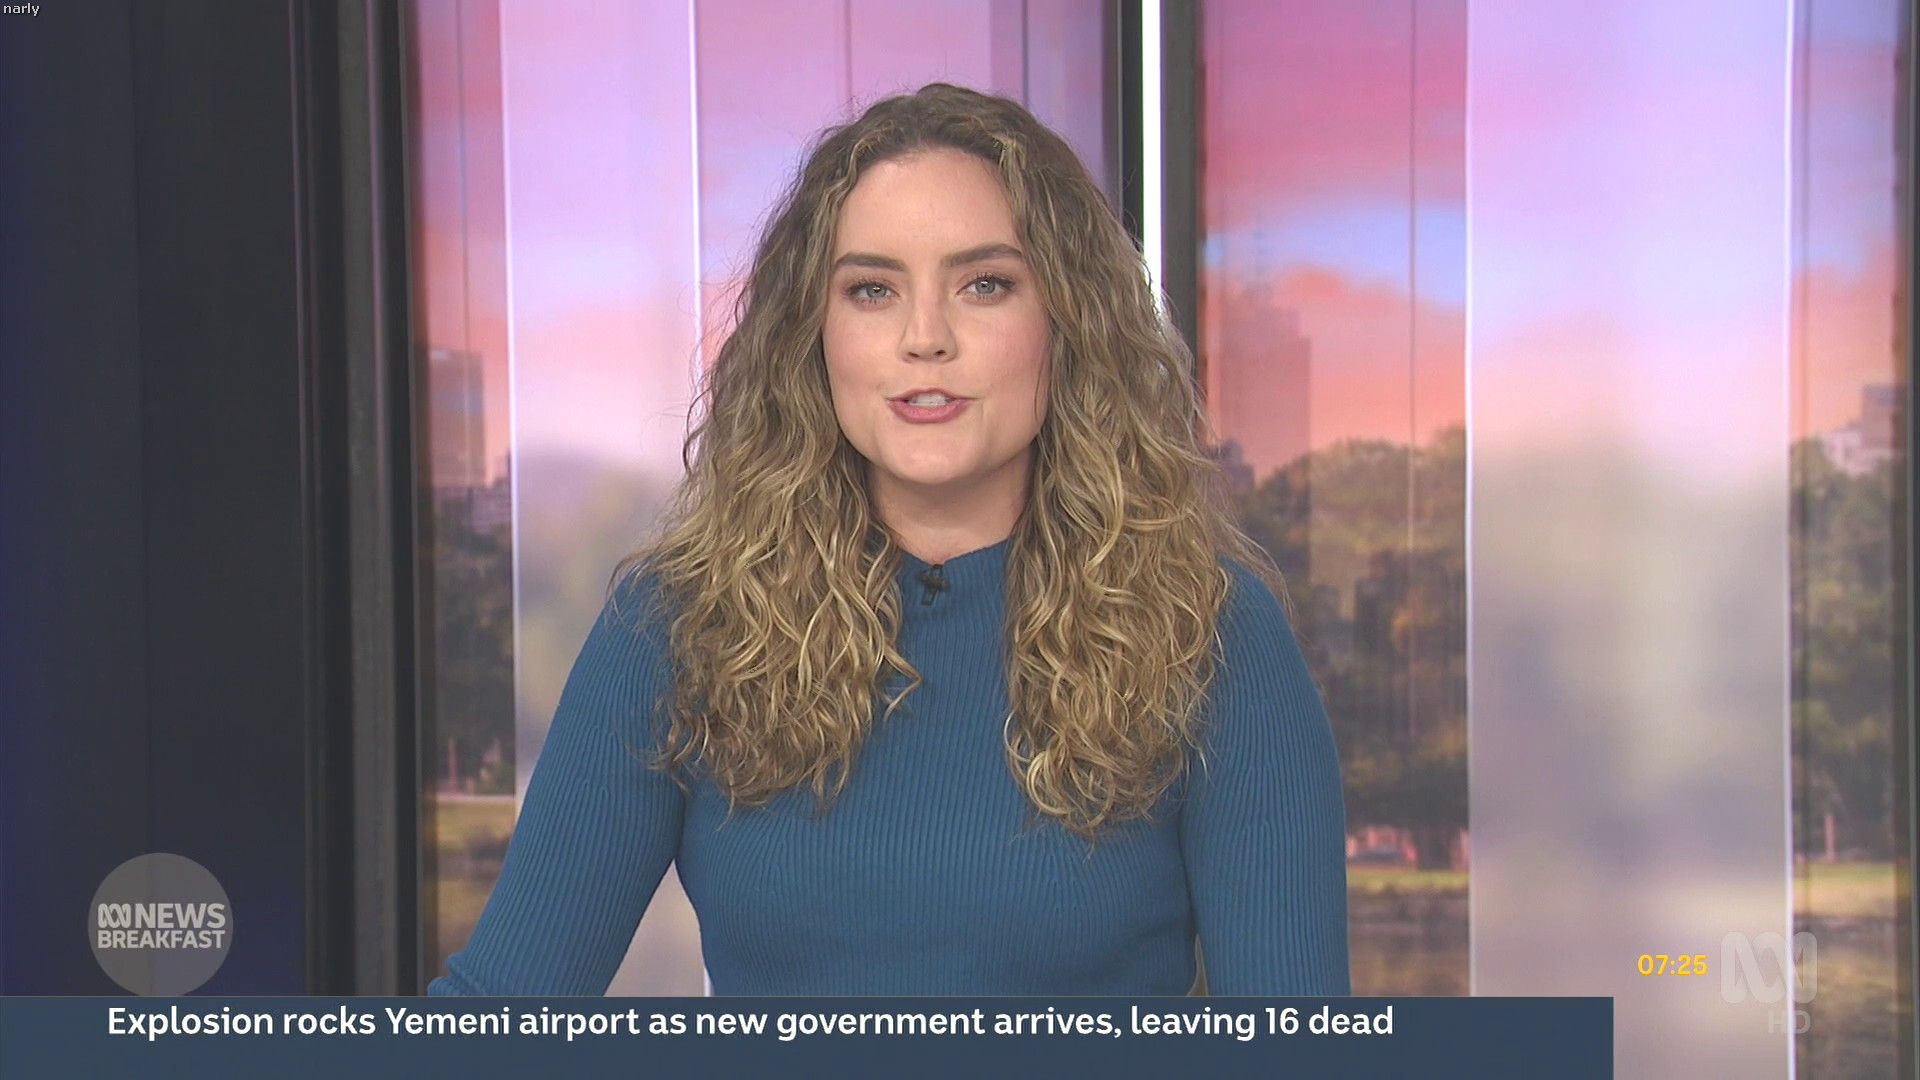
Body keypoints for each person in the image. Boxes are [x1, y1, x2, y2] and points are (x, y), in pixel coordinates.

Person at [428, 82, 1350, 997]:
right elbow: (493, 1018)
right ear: (814, 334)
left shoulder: (1211, 633)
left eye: (985, 285)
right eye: (872, 290)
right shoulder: (678, 627)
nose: (925, 337)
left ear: (1067, 322)